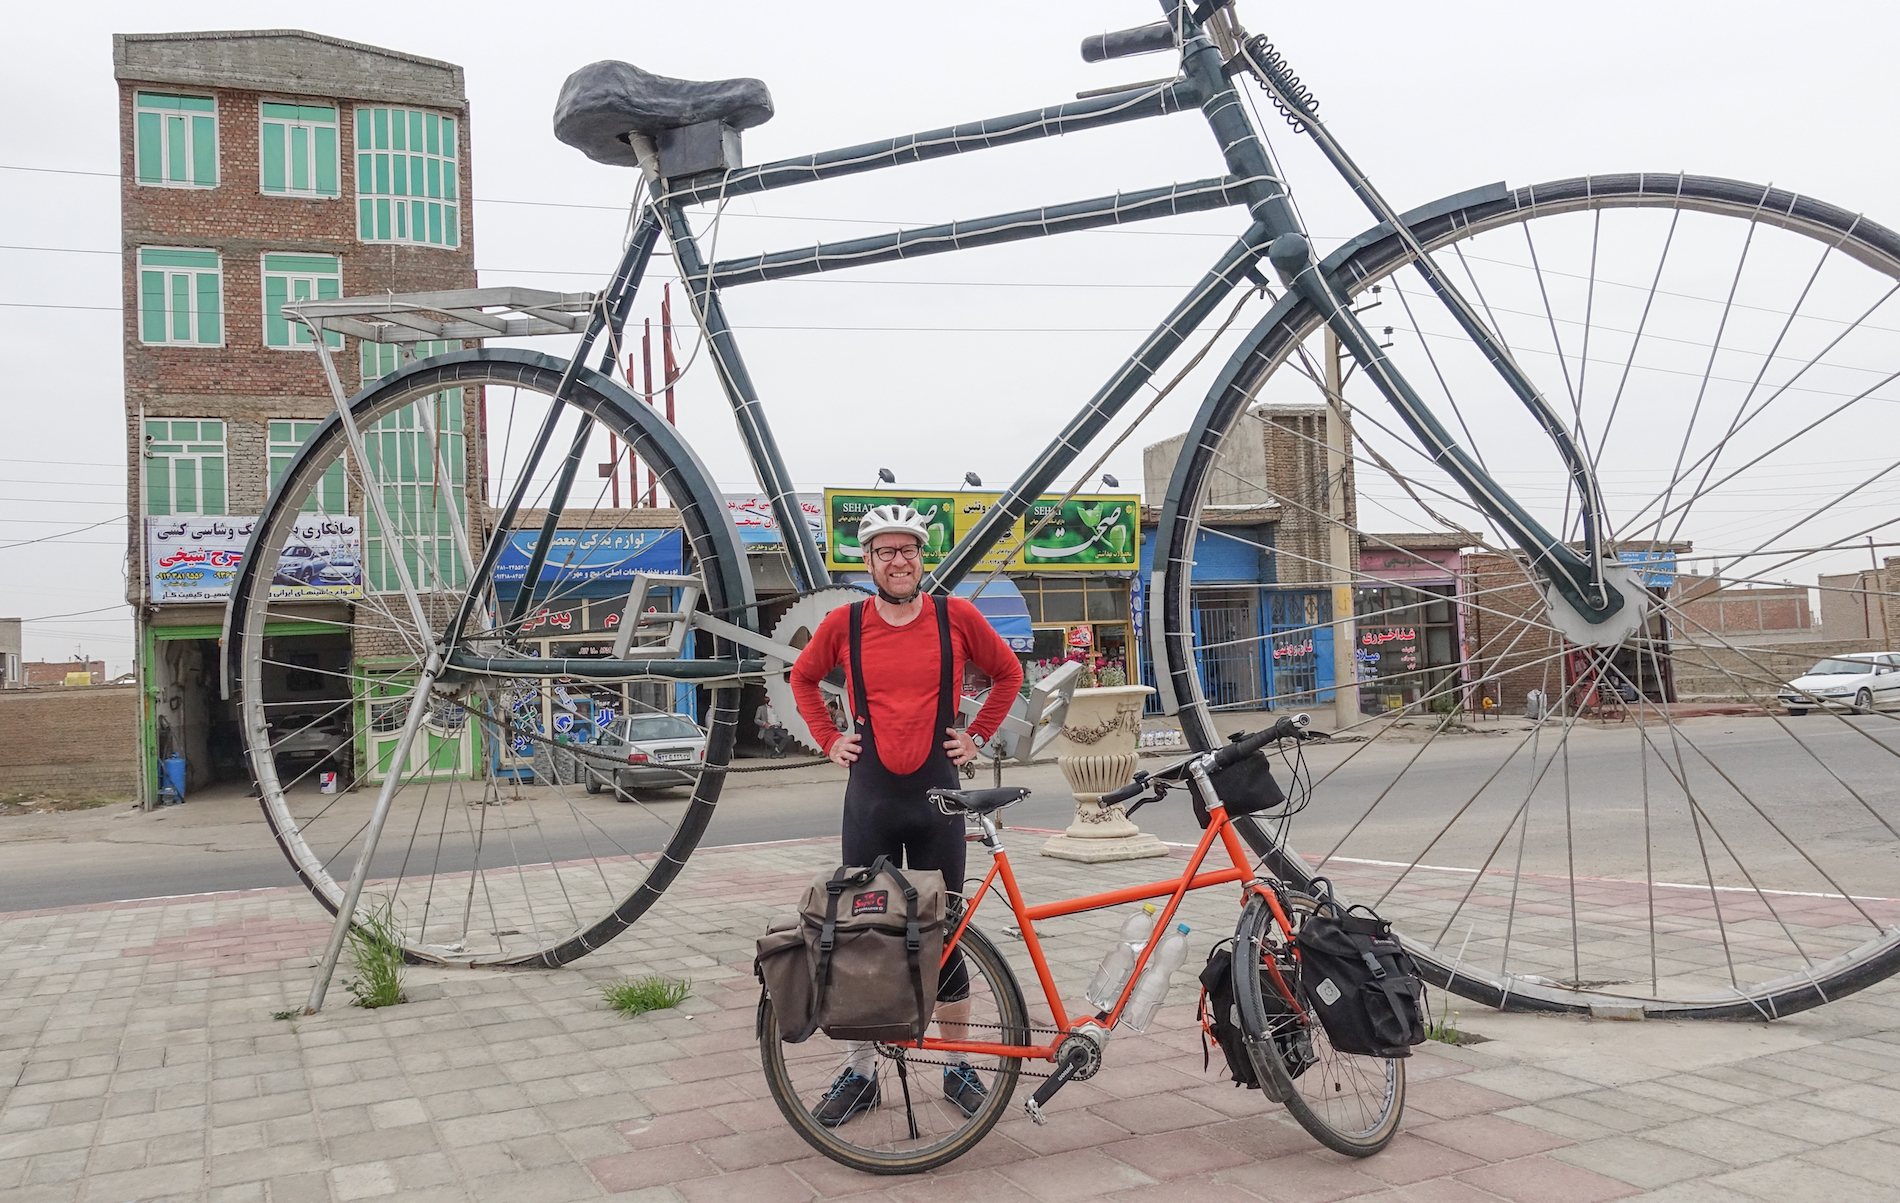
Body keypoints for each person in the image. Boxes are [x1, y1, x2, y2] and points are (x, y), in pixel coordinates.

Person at [789, 503, 1024, 1128]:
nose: (899, 561)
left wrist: (977, 735)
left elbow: (1008, 674)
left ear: (923, 557)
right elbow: (802, 679)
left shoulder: (957, 616)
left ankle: (957, 1065)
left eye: (909, 550)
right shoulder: (845, 622)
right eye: (886, 551)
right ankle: (862, 1072)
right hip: (870, 798)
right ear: (868, 561)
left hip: (937, 797)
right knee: (861, 934)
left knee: (945, 932)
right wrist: (828, 738)